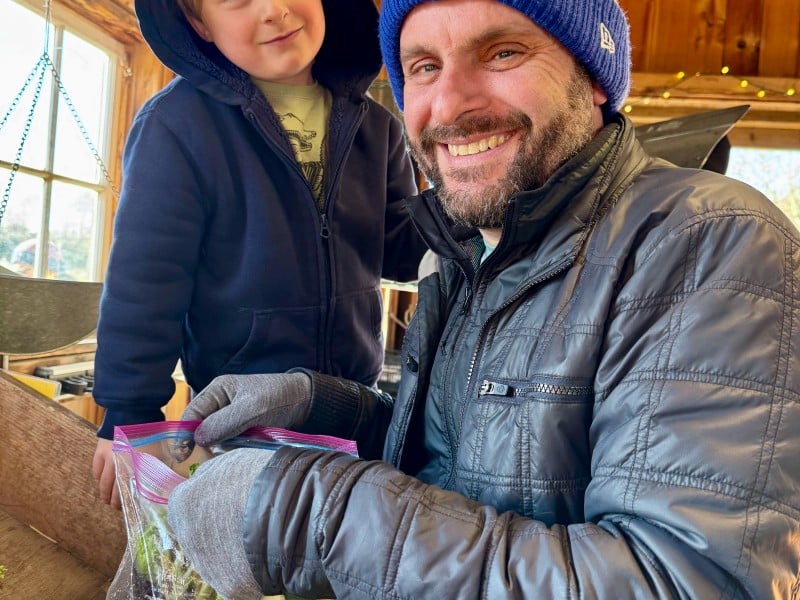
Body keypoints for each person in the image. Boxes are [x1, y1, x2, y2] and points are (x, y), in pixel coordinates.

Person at [166, 0, 800, 598]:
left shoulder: (707, 244)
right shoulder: (467, 252)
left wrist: (312, 514)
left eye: (502, 53)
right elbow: (456, 467)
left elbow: (684, 580)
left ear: (593, 76)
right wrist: (325, 409)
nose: (449, 103)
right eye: (423, 67)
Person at [91, 0, 426, 509]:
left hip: (353, 412)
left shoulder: (378, 129)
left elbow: (402, 249)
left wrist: (470, 212)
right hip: (238, 423)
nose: (274, 10)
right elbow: (146, 281)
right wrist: (130, 412)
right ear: (200, 24)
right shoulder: (178, 124)